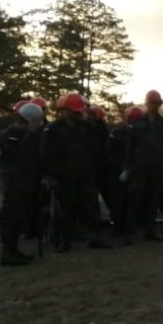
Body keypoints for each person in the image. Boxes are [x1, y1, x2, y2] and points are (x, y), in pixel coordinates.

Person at [40, 93, 111, 252]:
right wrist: (50, 175)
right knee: (65, 210)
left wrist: (97, 123)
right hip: (64, 177)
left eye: (78, 111)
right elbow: (46, 155)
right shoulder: (52, 130)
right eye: (74, 111)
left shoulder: (87, 127)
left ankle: (95, 237)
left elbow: (100, 145)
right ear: (63, 110)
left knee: (91, 207)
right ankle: (64, 240)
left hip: (85, 174)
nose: (77, 114)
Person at [122, 90, 163, 242]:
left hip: (157, 167)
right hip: (140, 168)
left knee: (153, 201)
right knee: (135, 201)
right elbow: (129, 147)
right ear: (146, 104)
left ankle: (150, 232)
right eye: (152, 103)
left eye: (156, 103)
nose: (154, 106)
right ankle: (128, 233)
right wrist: (127, 167)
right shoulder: (137, 124)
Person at [0, 102, 45, 265]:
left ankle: (14, 251)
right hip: (15, 184)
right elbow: (19, 155)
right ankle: (9, 252)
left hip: (28, 183)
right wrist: (29, 135)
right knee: (11, 218)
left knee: (20, 218)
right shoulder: (9, 135)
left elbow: (37, 159)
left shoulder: (33, 136)